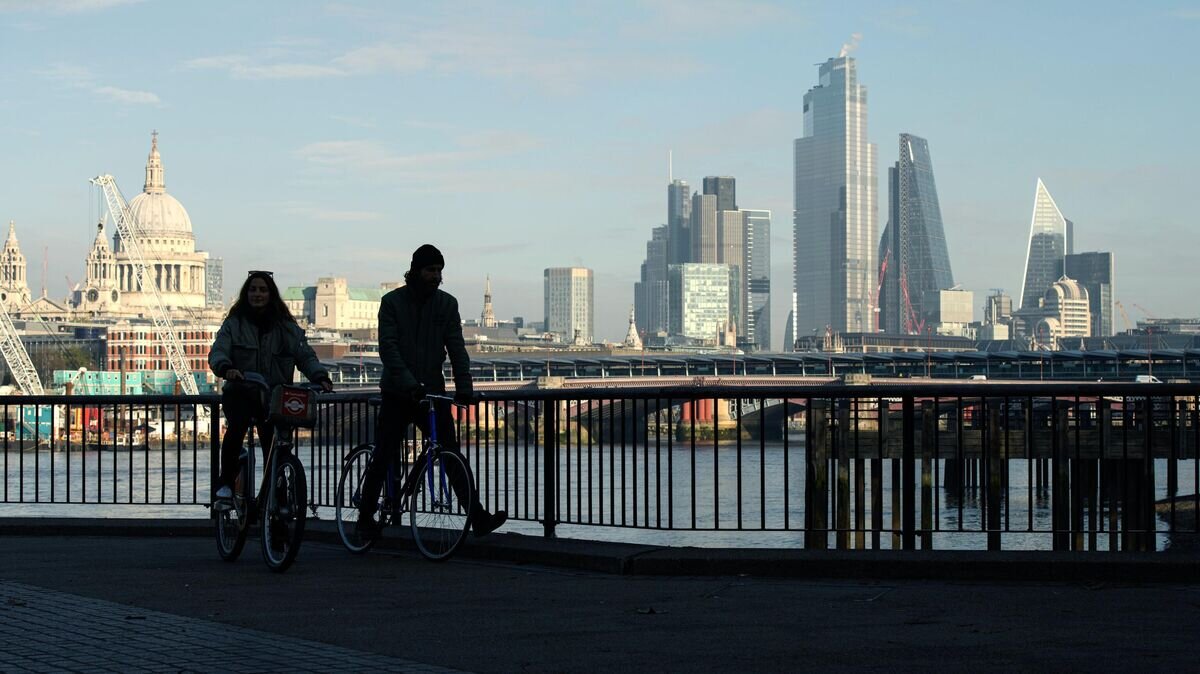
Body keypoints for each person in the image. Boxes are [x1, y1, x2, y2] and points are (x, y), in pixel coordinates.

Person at [356, 244, 506, 539]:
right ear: (415, 271)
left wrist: (465, 388)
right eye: (430, 270)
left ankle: (477, 517)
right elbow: (389, 348)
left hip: (433, 393)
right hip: (398, 393)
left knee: (450, 454)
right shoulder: (392, 303)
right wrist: (409, 383)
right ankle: (364, 517)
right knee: (385, 453)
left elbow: (457, 348)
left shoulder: (447, 304)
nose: (436, 276)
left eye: (439, 271)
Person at [208, 271, 333, 501]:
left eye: (263, 290)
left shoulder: (286, 328)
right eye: (253, 289)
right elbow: (218, 351)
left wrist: (320, 376)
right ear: (246, 293)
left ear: (271, 294)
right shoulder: (234, 324)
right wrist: (226, 368)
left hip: (275, 396)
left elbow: (305, 355)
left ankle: (276, 492)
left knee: (275, 444)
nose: (257, 294)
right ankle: (226, 482)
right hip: (242, 391)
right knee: (236, 429)